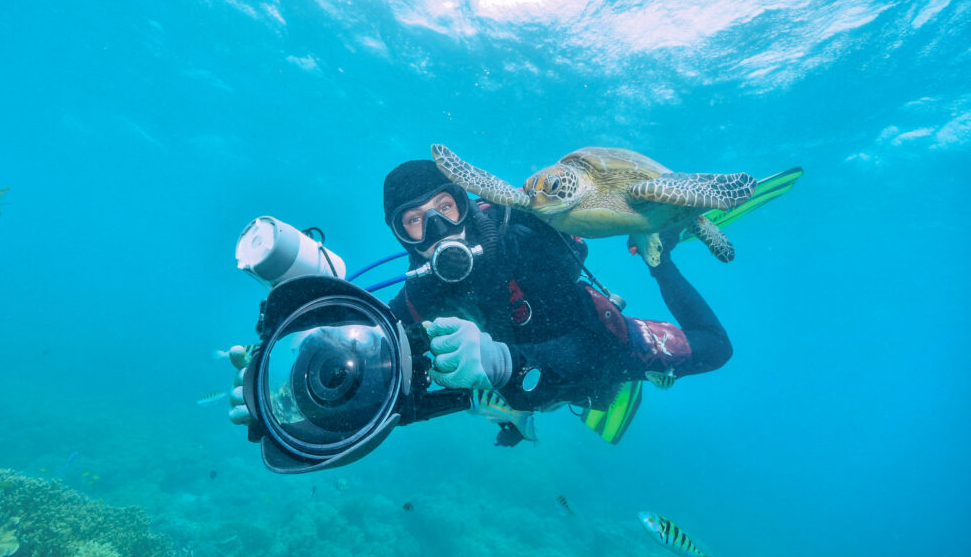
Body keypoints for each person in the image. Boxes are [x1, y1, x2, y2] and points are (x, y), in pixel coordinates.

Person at [230, 159, 733, 446]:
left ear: (465, 201)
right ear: (401, 235)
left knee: (714, 350)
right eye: (415, 221)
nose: (436, 230)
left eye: (445, 208)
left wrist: (503, 361)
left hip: (596, 347)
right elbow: (388, 388)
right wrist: (284, 405)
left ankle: (659, 257)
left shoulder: (522, 239)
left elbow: (596, 345)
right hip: (524, 394)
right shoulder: (420, 295)